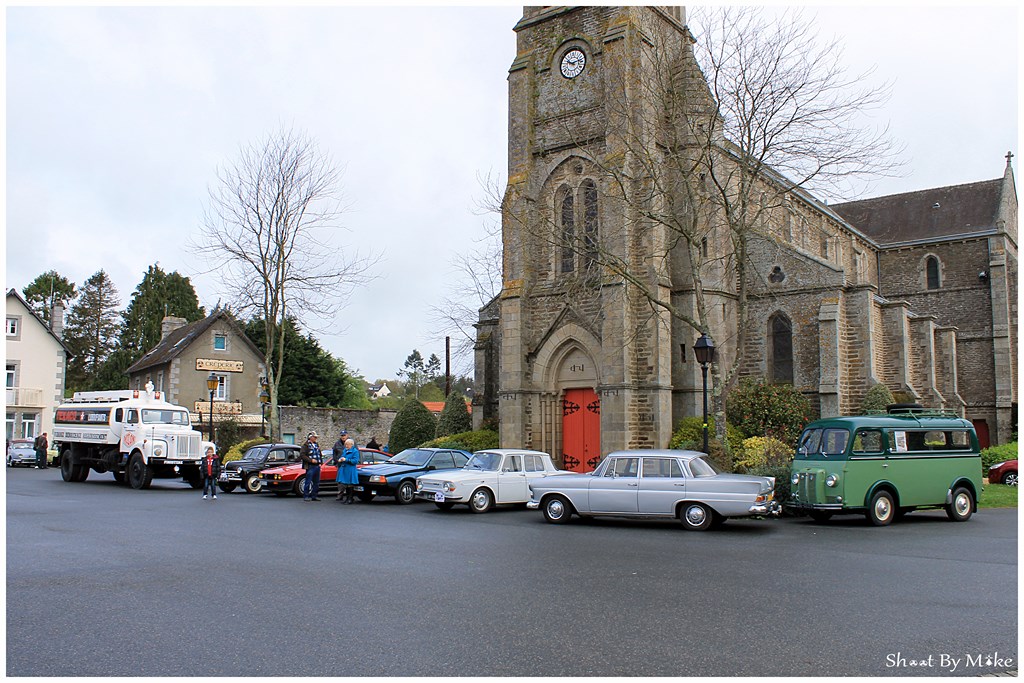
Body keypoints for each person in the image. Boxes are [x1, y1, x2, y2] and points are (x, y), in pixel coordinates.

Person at [335, 438, 360, 504]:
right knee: (345, 484)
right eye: (345, 444)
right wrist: (340, 459)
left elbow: (355, 461)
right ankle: (347, 498)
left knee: (350, 485)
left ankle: (350, 498)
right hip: (344, 469)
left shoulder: (355, 451)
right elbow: (342, 456)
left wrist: (346, 460)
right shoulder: (345, 450)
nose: (346, 446)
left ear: (352, 445)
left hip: (350, 470)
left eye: (347, 444)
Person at [300, 431, 323, 501]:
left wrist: (320, 462)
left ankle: (314, 496)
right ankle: (306, 496)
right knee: (308, 481)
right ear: (310, 437)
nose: (316, 438)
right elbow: (302, 455)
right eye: (314, 437)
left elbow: (319, 454)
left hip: (317, 466)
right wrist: (311, 460)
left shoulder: (316, 445)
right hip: (310, 466)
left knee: (317, 482)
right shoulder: (305, 445)